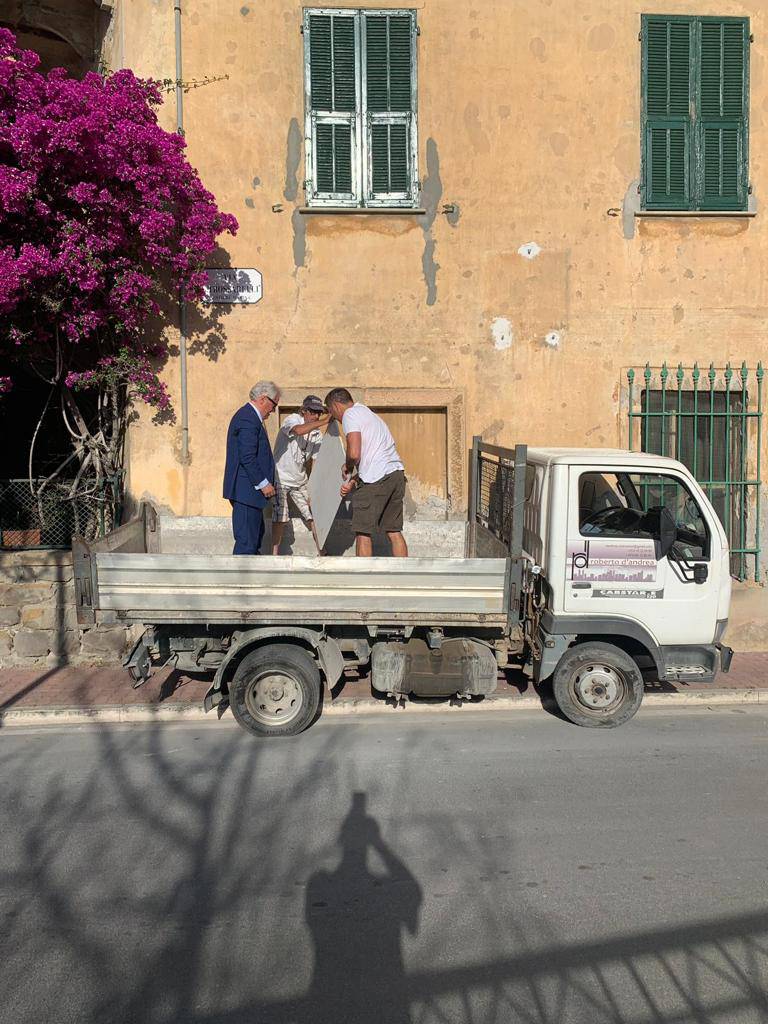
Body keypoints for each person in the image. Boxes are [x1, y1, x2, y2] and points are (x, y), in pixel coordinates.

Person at [324, 387, 408, 558]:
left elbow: (354, 453)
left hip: (376, 480)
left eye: (332, 412)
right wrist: (355, 479)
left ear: (336, 406)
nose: (336, 419)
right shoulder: (368, 414)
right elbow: (375, 458)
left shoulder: (349, 415)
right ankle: (404, 577)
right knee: (393, 531)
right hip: (396, 474)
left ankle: (363, 580)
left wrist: (347, 466)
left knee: (363, 532)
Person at [222, 381, 280, 555]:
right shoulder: (248, 418)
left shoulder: (251, 417)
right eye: (274, 404)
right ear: (263, 399)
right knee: (247, 544)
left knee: (254, 539)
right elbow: (247, 456)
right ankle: (240, 582)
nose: (273, 410)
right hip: (247, 491)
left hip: (250, 494)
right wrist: (263, 483)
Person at [271, 394, 330, 555]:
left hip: (300, 480)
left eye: (319, 413)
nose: (316, 415)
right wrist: (325, 421)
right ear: (304, 411)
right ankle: (274, 554)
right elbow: (297, 431)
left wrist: (315, 491)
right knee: (280, 517)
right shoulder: (292, 419)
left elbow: (318, 462)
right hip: (280, 477)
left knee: (314, 515)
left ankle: (322, 551)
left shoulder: (317, 434)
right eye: (313, 411)